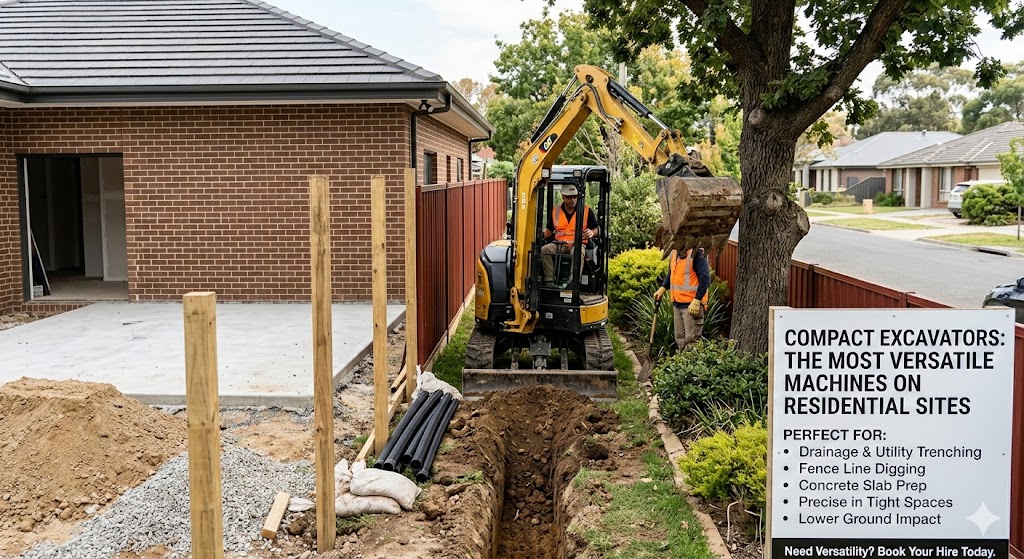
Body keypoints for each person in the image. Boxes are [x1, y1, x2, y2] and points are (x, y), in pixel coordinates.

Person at [540, 184, 599, 286]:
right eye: (569, 197)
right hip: (559, 244)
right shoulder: (556, 211)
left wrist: (592, 233)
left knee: (578, 252)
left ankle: (572, 283)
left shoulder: (586, 211)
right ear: (563, 196)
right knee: (544, 250)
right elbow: (549, 230)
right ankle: (549, 282)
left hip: (577, 244)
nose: (573, 200)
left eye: (575, 197)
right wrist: (539, 235)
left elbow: (597, 229)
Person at [654, 247, 710, 351]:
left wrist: (697, 300)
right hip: (677, 304)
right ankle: (681, 364)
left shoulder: (697, 253)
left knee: (691, 341)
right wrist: (662, 288)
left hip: (691, 305)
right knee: (680, 339)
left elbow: (705, 279)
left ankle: (692, 365)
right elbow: (671, 275)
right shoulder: (674, 253)